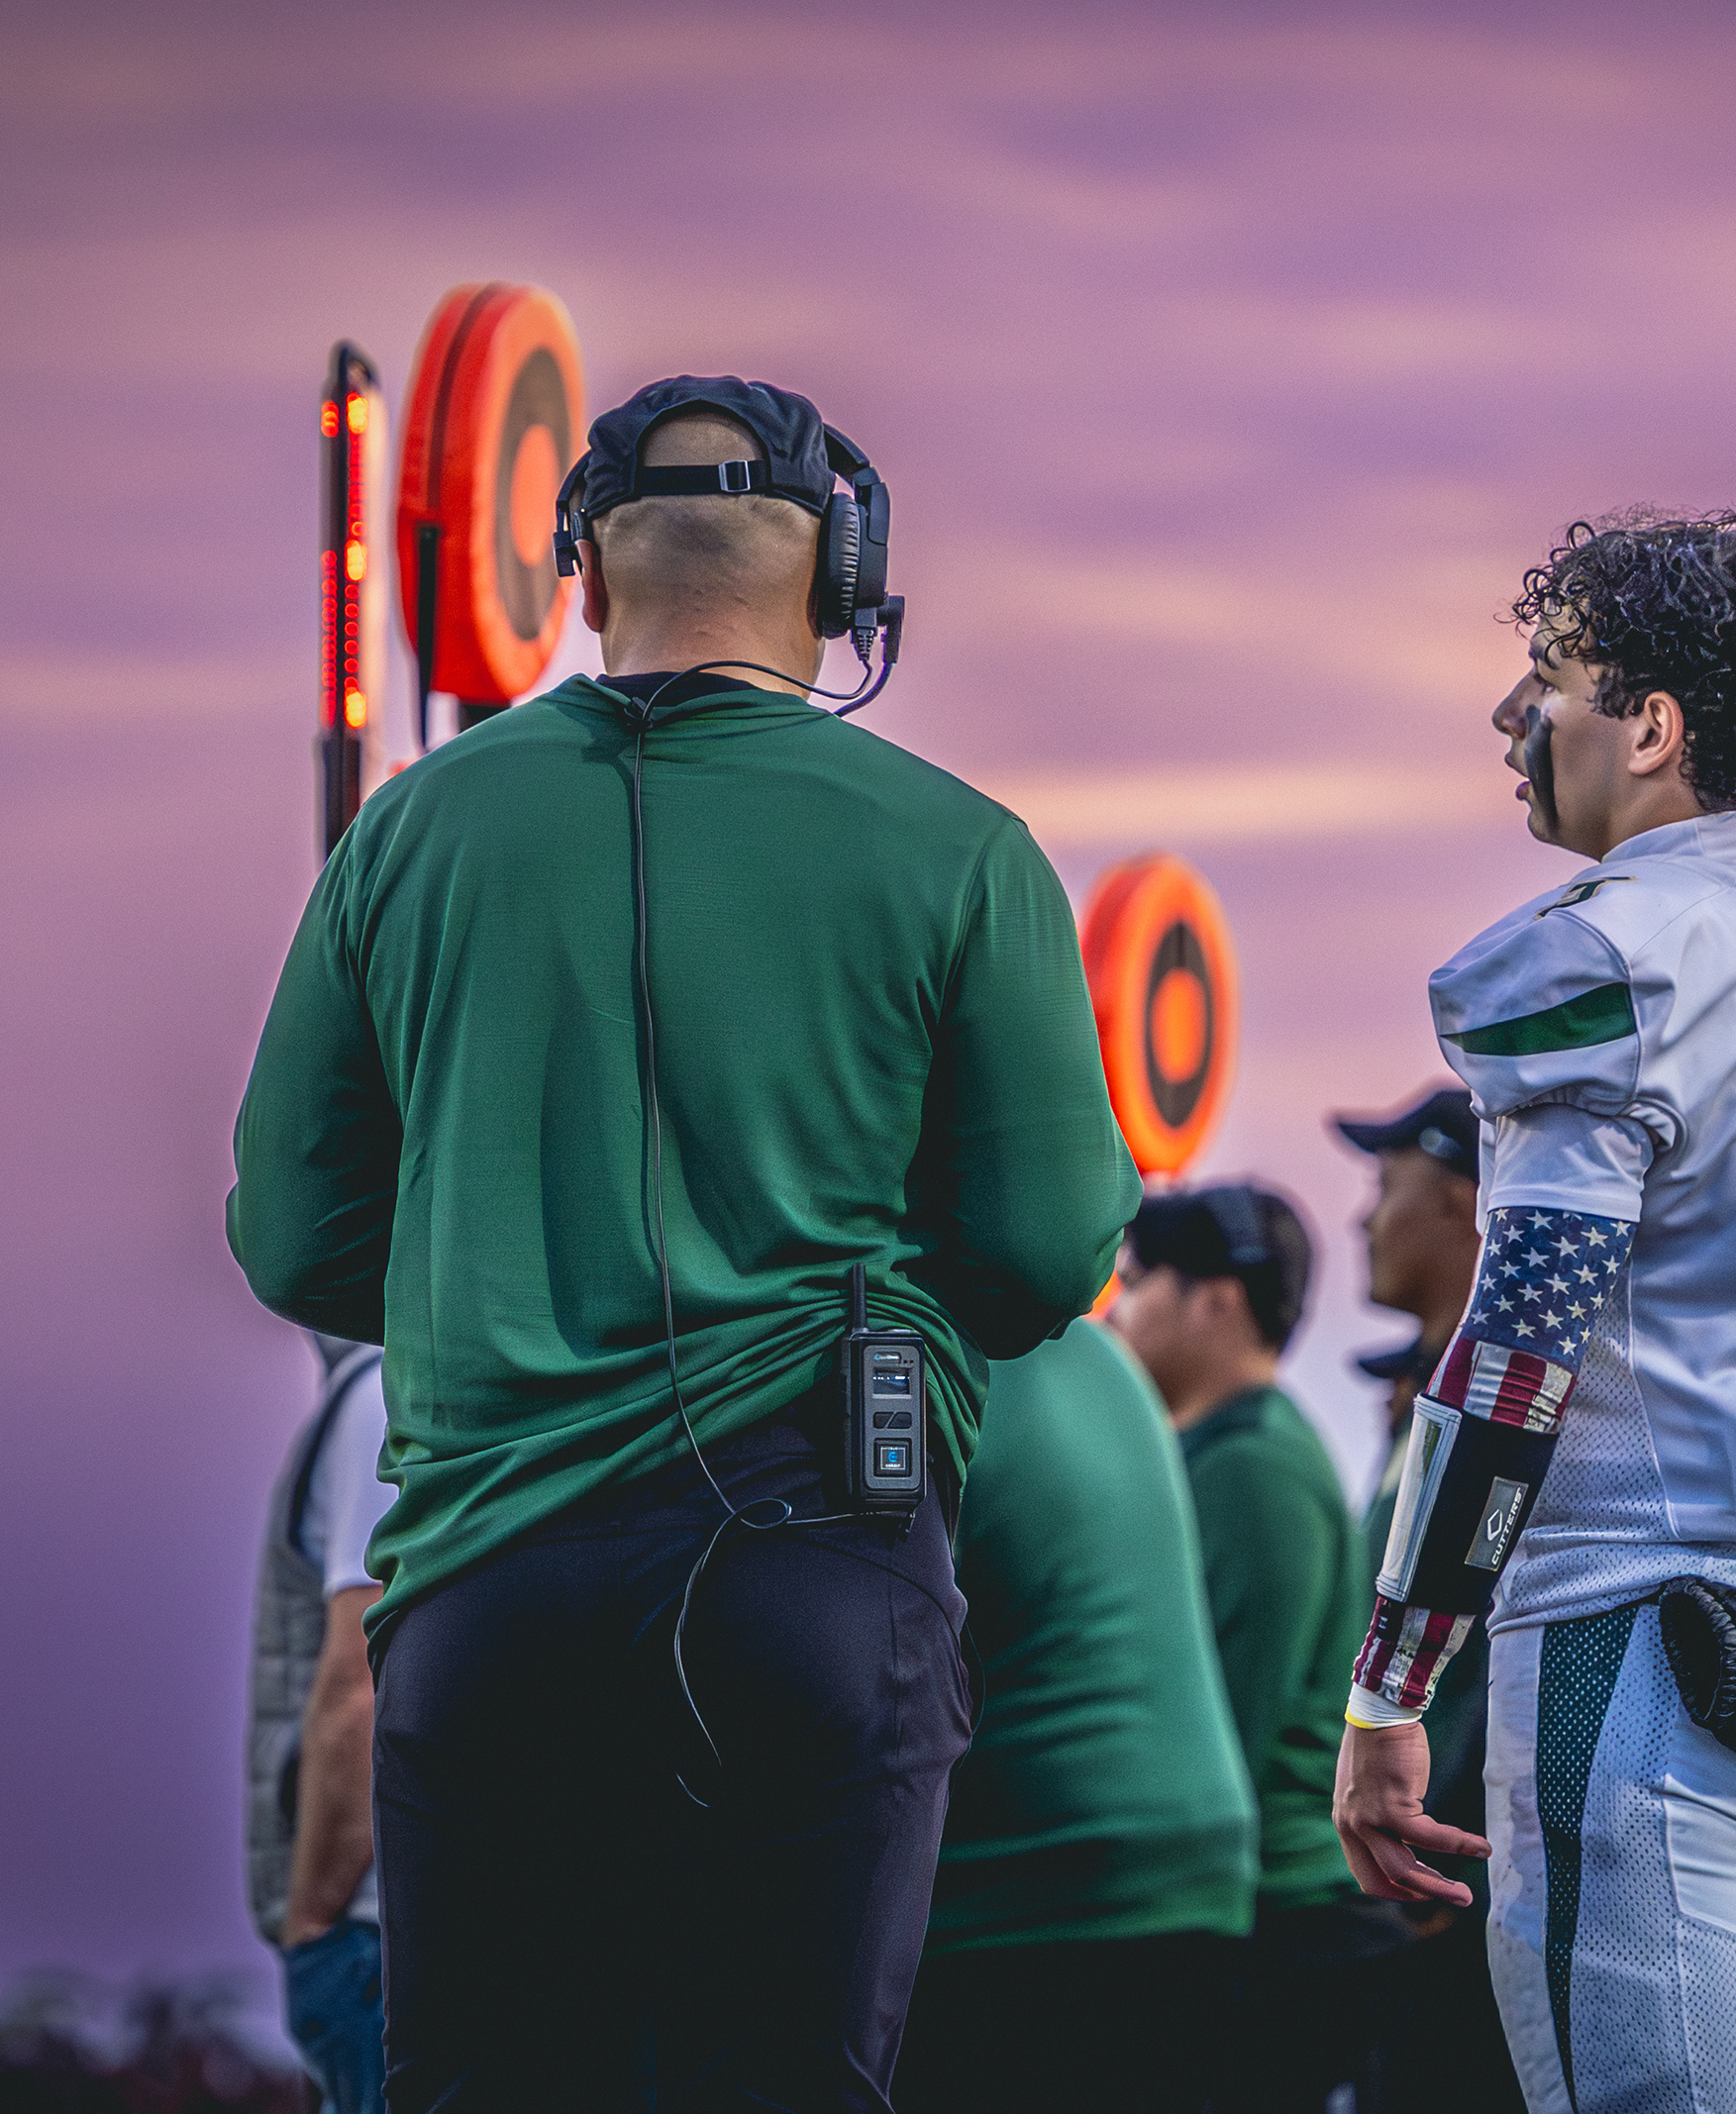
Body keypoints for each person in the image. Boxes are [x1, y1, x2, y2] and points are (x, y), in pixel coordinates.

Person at [228, 377, 1137, 2111]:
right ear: (845, 580)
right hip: (818, 1567)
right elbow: (1046, 1254)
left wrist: (492, 1272)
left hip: (488, 1583)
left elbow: (291, 1238)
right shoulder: (964, 849)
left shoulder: (402, 835)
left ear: (578, 568)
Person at [1327, 511, 1736, 2113]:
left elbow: (1519, 1348)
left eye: (1551, 678)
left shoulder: (1602, 959)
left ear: (1652, 727)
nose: (1515, 715)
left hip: (1652, 1652)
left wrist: (1392, 1680)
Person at [899, 1319, 1259, 2114]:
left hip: (1037, 1894)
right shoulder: (1097, 1350)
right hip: (1196, 1873)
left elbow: (872, 1662)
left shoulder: (924, 1353)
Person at [1106, 1181, 1410, 2111]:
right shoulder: (1222, 1452)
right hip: (1257, 1908)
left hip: (1275, 1916)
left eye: (1137, 1282)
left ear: (1218, 1299)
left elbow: (1222, 1721)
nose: (1115, 1312)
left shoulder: (1255, 1467)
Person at [1333, 1090, 1524, 2113]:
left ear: (1459, 1196)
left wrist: (1442, 1828)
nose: (1363, 1217)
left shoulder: (1516, 1411)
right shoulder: (1430, 1398)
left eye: (1384, 1183)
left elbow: (1512, 1640)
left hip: (1467, 1886)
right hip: (1411, 1868)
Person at [248, 1332, 400, 2114]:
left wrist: (310, 1920)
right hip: (386, 1934)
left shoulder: (380, 1393)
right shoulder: (399, 1386)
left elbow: (360, 1681)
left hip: (370, 1938)